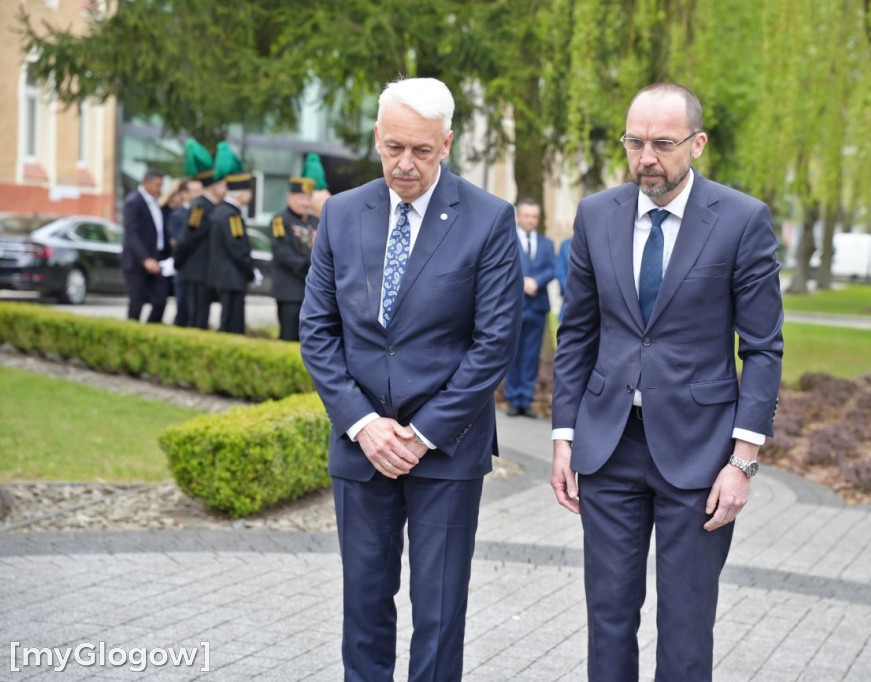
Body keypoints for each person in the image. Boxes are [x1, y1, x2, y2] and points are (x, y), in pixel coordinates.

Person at [550, 83, 784, 681]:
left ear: (697, 144)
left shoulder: (741, 220)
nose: (646, 157)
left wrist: (744, 460)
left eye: (662, 143)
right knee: (607, 616)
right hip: (607, 447)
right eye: (634, 142)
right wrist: (563, 436)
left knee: (685, 625)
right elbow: (576, 333)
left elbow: (761, 348)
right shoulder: (595, 215)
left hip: (701, 454)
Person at [299, 77, 522, 681]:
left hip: (446, 451)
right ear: (377, 136)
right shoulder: (342, 214)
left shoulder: (489, 220)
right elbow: (318, 332)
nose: (405, 164)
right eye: (394, 147)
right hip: (361, 446)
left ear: (447, 144)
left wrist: (421, 434)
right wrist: (365, 426)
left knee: (440, 614)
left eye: (422, 151)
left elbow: (494, 342)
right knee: (364, 608)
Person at [505, 198, 556, 418]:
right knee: (512, 353)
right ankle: (513, 399)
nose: (530, 220)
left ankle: (527, 399)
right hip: (513, 306)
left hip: (537, 307)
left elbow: (552, 268)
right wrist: (522, 281)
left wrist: (537, 281)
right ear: (519, 217)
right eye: (526, 216)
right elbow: (504, 265)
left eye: (534, 216)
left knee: (531, 355)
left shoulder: (546, 243)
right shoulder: (507, 240)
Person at [270, 154, 324, 341]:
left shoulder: (316, 221)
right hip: (289, 290)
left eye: (308, 198)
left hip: (311, 292)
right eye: (300, 197)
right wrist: (310, 267)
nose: (305, 202)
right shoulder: (280, 220)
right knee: (289, 337)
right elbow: (283, 253)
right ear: (289, 197)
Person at [174, 139, 226, 329]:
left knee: (202, 316)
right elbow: (189, 237)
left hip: (204, 272)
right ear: (213, 186)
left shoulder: (212, 207)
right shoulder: (200, 207)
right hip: (195, 271)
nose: (225, 189)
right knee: (195, 317)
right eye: (222, 185)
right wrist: (178, 262)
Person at [207, 143, 255, 335]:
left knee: (229, 318)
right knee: (232, 322)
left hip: (226, 276)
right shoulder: (231, 215)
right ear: (242, 193)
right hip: (232, 276)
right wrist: (250, 271)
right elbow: (237, 248)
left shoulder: (222, 211)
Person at [121, 169, 170, 322]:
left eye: (161, 185)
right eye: (157, 185)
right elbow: (132, 234)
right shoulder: (133, 202)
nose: (159, 189)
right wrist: (145, 258)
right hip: (137, 262)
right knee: (137, 302)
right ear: (146, 183)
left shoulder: (156, 203)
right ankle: (132, 334)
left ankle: (150, 331)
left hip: (156, 258)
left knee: (160, 300)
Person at [166, 178, 204, 327]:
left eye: (200, 191)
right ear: (184, 194)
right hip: (183, 268)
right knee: (183, 309)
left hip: (198, 269)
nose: (198, 195)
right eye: (194, 192)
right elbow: (179, 242)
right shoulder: (178, 215)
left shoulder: (202, 212)